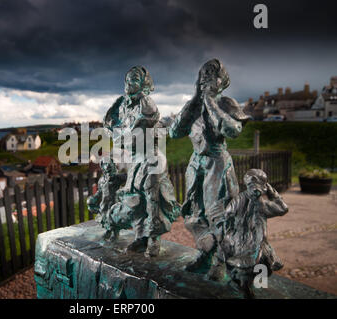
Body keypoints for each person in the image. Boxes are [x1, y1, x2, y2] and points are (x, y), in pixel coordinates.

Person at [169, 59, 251, 276]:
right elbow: (175, 132)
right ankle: (205, 254)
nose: (206, 78)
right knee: (196, 213)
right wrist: (197, 100)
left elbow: (232, 130)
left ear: (222, 80)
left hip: (217, 163)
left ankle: (221, 262)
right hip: (196, 164)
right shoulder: (193, 106)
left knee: (220, 215)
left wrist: (211, 103)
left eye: (212, 74)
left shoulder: (226, 103)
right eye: (203, 74)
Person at [103, 66, 180, 257]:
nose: (130, 84)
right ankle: (140, 237)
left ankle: (154, 239)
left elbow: (132, 135)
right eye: (128, 80)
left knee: (152, 199)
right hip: (136, 159)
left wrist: (121, 136)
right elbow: (112, 129)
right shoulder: (123, 105)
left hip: (150, 158)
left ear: (144, 84)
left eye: (135, 80)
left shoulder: (146, 103)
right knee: (135, 199)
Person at [213, 169, 289, 297]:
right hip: (240, 241)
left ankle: (246, 283)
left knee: (264, 268)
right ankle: (243, 285)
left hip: (257, 243)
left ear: (263, 187)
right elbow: (226, 217)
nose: (254, 190)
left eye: (258, 187)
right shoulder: (239, 201)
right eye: (251, 186)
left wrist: (271, 192)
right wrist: (227, 237)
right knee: (246, 267)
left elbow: (283, 209)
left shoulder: (261, 204)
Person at [87, 157, 125, 241]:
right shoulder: (102, 180)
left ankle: (115, 234)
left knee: (114, 218)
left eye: (109, 164)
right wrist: (93, 198)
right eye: (104, 164)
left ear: (113, 165)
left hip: (115, 202)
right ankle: (108, 230)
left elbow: (128, 182)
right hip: (105, 203)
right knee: (105, 217)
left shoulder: (118, 178)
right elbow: (100, 192)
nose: (107, 166)